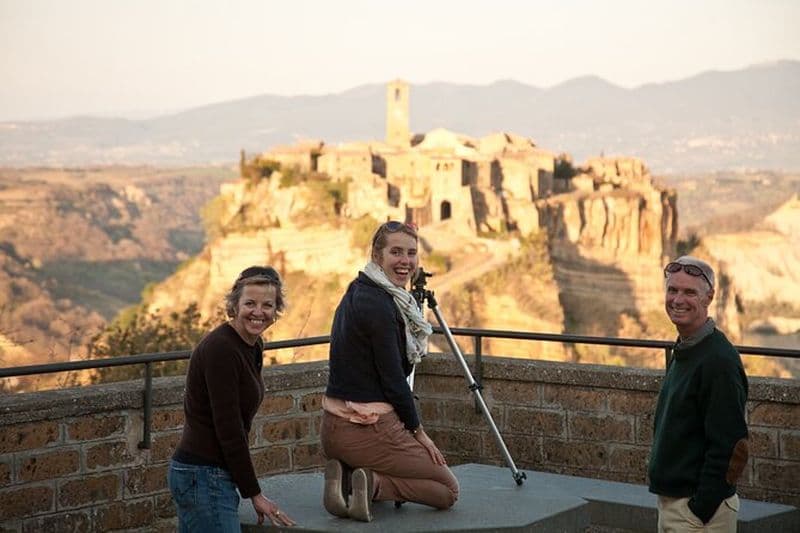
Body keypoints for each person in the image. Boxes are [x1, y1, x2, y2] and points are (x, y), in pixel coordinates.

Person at [320, 220, 459, 522]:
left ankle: (348, 475)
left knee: (427, 476)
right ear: (376, 255)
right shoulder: (381, 306)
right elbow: (395, 381)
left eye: (411, 253)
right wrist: (419, 433)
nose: (406, 261)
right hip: (367, 429)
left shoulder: (359, 289)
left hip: (333, 427)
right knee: (447, 490)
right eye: (396, 252)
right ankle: (371, 483)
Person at [168, 266, 296, 531]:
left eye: (267, 305)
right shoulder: (221, 349)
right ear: (235, 305)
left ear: (276, 311)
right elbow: (229, 428)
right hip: (202, 475)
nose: (258, 312)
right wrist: (254, 494)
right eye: (250, 303)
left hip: (212, 475)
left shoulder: (253, 345)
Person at [649, 256, 749, 532]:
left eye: (689, 292)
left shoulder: (718, 360)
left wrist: (698, 511)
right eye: (673, 290)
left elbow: (733, 448)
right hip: (676, 506)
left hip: (698, 515)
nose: (678, 299)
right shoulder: (686, 347)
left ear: (709, 297)